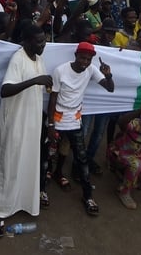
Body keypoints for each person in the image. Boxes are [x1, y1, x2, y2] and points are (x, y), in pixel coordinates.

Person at [0, 24, 53, 238]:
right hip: (15, 121)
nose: (43, 44)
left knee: (27, 162)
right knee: (9, 163)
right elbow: (5, 90)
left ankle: (24, 203)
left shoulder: (39, 58)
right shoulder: (18, 58)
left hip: (32, 120)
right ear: (26, 41)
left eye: (44, 41)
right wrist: (35, 81)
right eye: (39, 41)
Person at [46, 42, 114, 215]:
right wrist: (51, 124)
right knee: (46, 156)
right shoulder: (60, 70)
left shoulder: (91, 70)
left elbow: (110, 88)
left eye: (89, 59)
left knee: (81, 159)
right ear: (75, 56)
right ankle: (41, 190)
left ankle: (88, 196)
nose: (85, 62)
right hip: (58, 120)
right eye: (83, 57)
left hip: (74, 122)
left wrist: (109, 75)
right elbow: (52, 99)